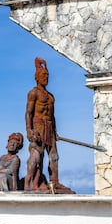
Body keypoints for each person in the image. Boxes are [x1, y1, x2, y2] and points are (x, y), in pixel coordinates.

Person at [24, 57, 75, 193]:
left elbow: (53, 116)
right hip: (38, 126)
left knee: (54, 156)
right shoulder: (33, 93)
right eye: (43, 75)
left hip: (49, 127)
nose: (46, 78)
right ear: (37, 77)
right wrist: (29, 130)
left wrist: (55, 131)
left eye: (47, 75)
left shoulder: (51, 96)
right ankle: (34, 182)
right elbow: (28, 113)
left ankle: (55, 181)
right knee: (38, 156)